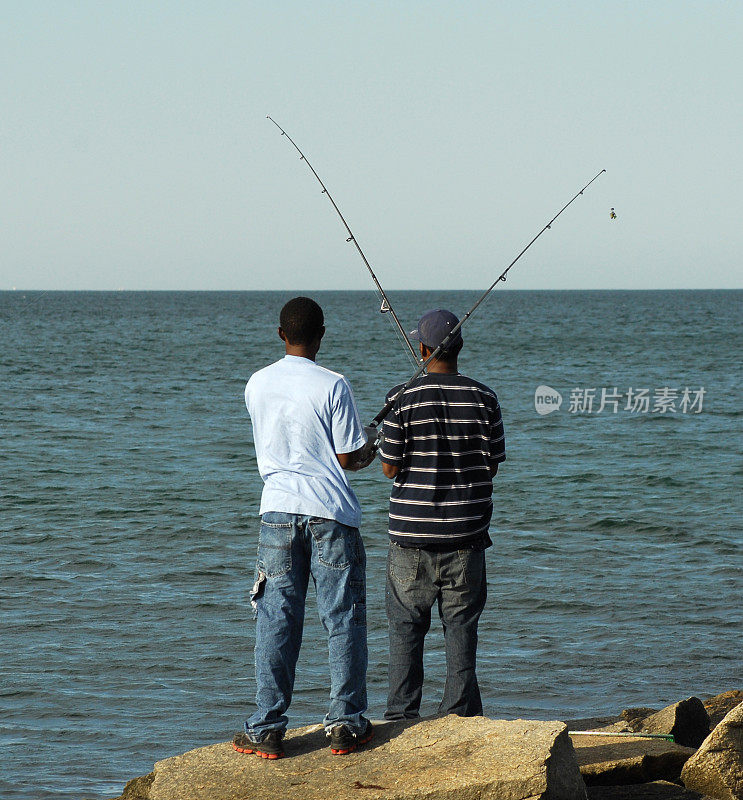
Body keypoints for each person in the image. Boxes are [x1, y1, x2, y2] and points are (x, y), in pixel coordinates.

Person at [234, 296, 376, 759]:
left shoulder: (257, 383)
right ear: (322, 335)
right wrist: (371, 445)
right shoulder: (333, 385)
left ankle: (267, 727)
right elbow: (349, 459)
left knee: (276, 618)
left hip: (275, 511)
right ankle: (345, 723)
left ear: (281, 334)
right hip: (331, 514)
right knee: (343, 617)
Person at [378, 308, 505, 720]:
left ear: (422, 349)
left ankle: (400, 717)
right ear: (460, 347)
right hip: (467, 538)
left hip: (410, 538)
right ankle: (459, 718)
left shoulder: (401, 397)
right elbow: (492, 464)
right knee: (462, 629)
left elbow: (389, 467)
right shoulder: (485, 398)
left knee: (405, 631)